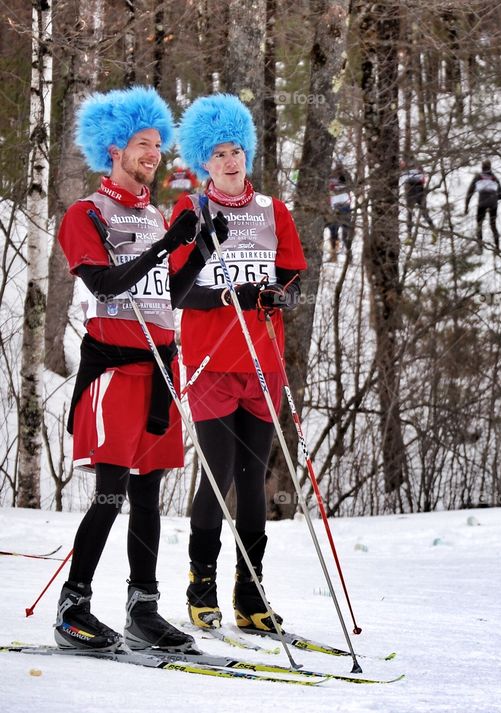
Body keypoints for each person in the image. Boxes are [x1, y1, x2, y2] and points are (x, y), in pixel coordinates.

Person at [55, 86, 206, 652]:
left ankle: (143, 607)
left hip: (158, 372)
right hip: (114, 370)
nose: (155, 155)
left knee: (148, 498)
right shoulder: (86, 213)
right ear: (114, 148)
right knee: (110, 495)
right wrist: (166, 243)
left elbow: (171, 295)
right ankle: (74, 605)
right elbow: (104, 283)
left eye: (159, 146)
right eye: (145, 144)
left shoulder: (155, 213)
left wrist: (199, 253)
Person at [170, 94, 307, 634]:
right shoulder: (190, 213)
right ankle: (201, 583)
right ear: (203, 161)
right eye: (219, 153)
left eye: (237, 151)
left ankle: (251, 595)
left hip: (263, 362)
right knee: (219, 472)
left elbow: (293, 275)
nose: (231, 161)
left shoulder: (275, 212)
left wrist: (278, 295)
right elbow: (177, 290)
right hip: (209, 362)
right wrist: (228, 294)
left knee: (255, 481)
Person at [464, 159, 501, 253]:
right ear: (490, 167)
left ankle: (480, 248)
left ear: (482, 167)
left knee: (479, 225)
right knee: (493, 225)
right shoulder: (494, 178)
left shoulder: (478, 177)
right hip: (493, 204)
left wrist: (466, 206)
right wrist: (494, 197)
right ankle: (497, 248)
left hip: (482, 203)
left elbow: (470, 192)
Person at [326, 161, 353, 261]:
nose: (339, 168)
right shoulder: (330, 175)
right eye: (337, 165)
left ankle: (349, 255)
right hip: (334, 206)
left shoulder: (346, 174)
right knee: (333, 231)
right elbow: (327, 189)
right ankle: (334, 255)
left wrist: (342, 184)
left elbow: (351, 186)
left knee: (345, 232)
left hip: (345, 206)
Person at [400, 158, 435, 234]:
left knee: (423, 212)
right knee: (410, 213)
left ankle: (433, 230)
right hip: (412, 191)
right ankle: (409, 234)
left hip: (418, 191)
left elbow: (423, 180)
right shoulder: (404, 171)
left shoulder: (416, 168)